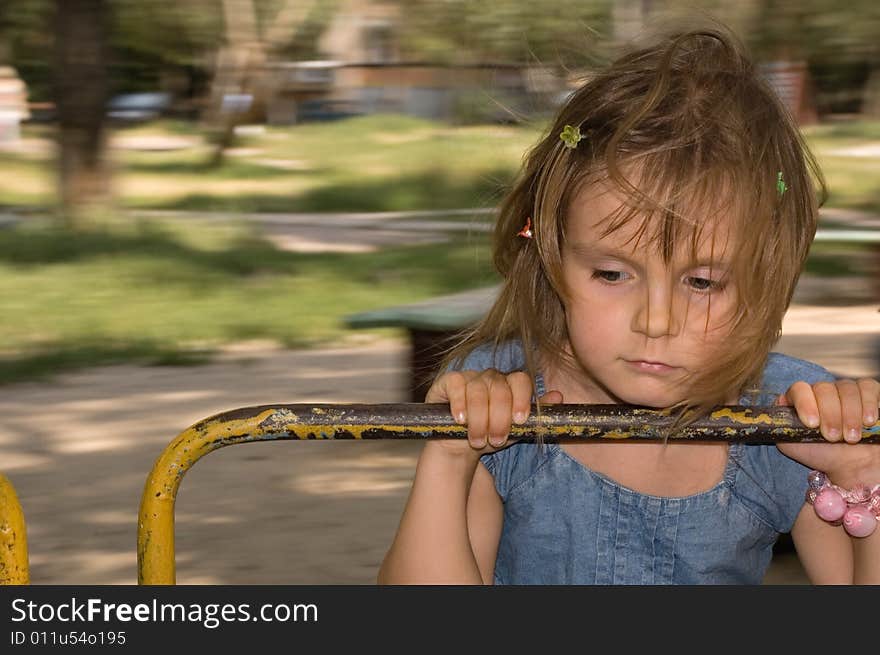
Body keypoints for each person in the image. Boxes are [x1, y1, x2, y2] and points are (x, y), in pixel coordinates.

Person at [377, 20, 880, 585]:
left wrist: (862, 468)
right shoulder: (502, 396)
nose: (655, 321)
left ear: (765, 277)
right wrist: (451, 451)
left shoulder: (787, 418)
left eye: (703, 283)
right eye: (613, 273)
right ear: (549, 252)